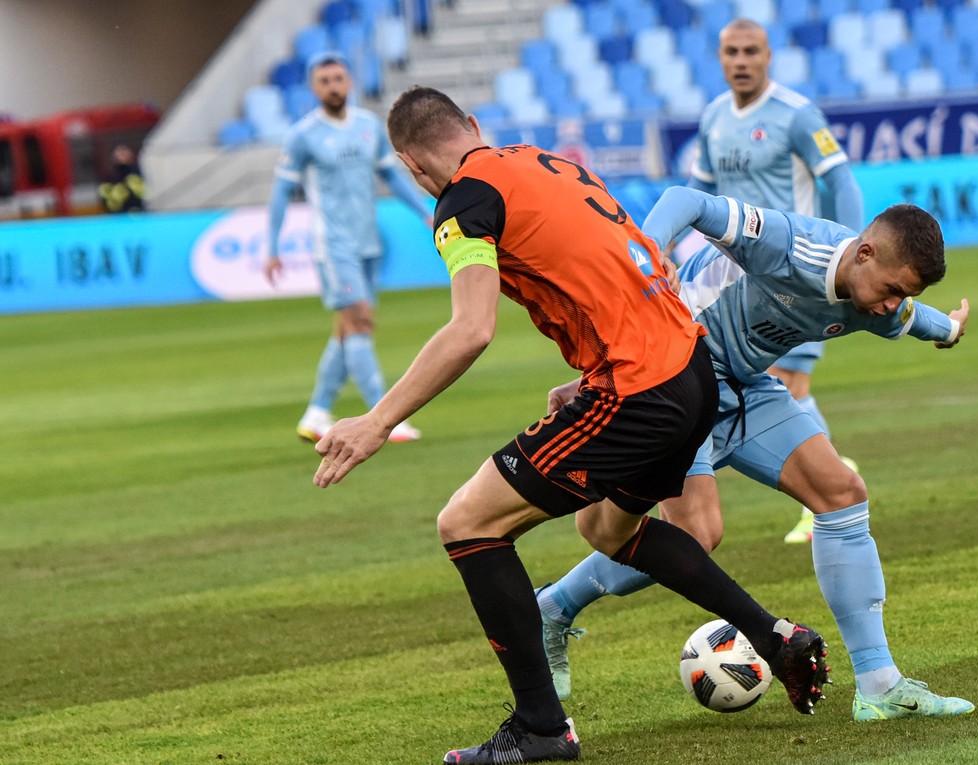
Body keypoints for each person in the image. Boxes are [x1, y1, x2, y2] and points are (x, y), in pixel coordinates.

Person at [315, 86, 830, 764]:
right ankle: (776, 637)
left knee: (467, 523)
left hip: (639, 388)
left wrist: (378, 420)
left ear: (410, 165)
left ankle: (540, 727)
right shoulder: (542, 161)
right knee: (607, 529)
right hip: (687, 365)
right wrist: (593, 373)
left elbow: (471, 330)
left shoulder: (463, 204)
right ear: (473, 125)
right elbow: (619, 267)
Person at [536, 187, 975, 723]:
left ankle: (879, 684)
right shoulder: (788, 244)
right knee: (696, 536)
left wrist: (949, 329)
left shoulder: (876, 302)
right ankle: (554, 606)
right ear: (865, 253)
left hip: (742, 385)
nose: (889, 304)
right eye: (890, 289)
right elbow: (685, 201)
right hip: (673, 378)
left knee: (841, 494)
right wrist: (647, 261)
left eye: (899, 295)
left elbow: (911, 317)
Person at [689, 18, 865, 544]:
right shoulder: (713, 118)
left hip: (796, 278)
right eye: (731, 52)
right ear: (720, 58)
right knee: (757, 385)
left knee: (789, 384)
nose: (740, 61)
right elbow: (698, 192)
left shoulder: (796, 115)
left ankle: (825, 491)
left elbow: (840, 181)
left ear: (769, 56)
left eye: (751, 51)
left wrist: (851, 253)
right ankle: (829, 476)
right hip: (730, 289)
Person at [265, 51, 431, 444]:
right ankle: (384, 416)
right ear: (313, 88)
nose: (333, 86)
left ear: (350, 81)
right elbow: (281, 193)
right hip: (333, 244)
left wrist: (425, 213)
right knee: (360, 321)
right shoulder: (304, 135)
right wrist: (272, 248)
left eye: (338, 78)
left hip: (368, 243)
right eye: (324, 81)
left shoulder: (369, 127)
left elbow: (392, 176)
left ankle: (317, 413)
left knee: (347, 332)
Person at [98, 145, 146, 212]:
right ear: (113, 157)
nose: (122, 155)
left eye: (124, 152)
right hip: (119, 216)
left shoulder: (139, 173)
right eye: (120, 153)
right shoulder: (109, 177)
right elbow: (105, 198)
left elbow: (147, 193)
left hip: (140, 212)